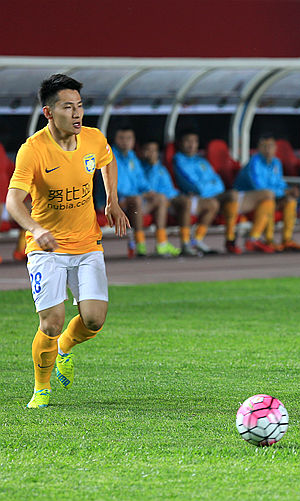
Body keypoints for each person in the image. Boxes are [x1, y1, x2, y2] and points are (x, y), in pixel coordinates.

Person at [5, 74, 130, 408]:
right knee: (51, 322)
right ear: (48, 112)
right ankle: (41, 388)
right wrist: (36, 229)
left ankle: (63, 347)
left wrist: (112, 200)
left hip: (87, 244)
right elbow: (13, 202)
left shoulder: (93, 139)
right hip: (47, 247)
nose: (77, 114)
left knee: (94, 320)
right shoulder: (33, 150)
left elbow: (107, 160)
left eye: (80, 106)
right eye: (67, 107)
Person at [112, 126, 180, 258]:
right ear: (115, 139)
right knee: (136, 199)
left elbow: (141, 181)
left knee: (160, 198)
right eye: (121, 138)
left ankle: (162, 243)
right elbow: (118, 187)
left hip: (133, 201)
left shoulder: (132, 156)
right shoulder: (110, 156)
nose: (125, 142)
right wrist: (142, 194)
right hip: (115, 202)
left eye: (129, 138)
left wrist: (149, 191)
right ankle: (140, 243)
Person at [172, 129, 242, 255]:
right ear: (180, 143)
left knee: (232, 195)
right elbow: (195, 186)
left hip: (210, 196)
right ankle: (187, 243)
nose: (191, 145)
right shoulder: (179, 160)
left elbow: (218, 183)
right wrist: (209, 186)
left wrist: (207, 187)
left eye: (195, 141)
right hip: (192, 198)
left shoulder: (201, 161)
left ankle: (206, 239)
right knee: (216, 201)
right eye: (188, 141)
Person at [235, 133, 300, 252]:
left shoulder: (276, 162)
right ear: (258, 148)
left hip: (271, 197)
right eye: (264, 146)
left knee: (290, 201)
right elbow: (260, 188)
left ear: (275, 148)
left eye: (271, 146)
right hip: (249, 203)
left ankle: (287, 239)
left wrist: (288, 191)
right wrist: (283, 192)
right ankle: (268, 240)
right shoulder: (254, 163)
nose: (268, 149)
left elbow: (279, 183)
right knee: (268, 201)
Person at [139, 140, 194, 254]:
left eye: (154, 151)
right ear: (142, 152)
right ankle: (161, 243)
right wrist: (153, 166)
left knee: (186, 201)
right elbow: (149, 188)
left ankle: (185, 243)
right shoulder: (141, 168)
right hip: (155, 200)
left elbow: (170, 188)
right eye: (148, 150)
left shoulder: (161, 167)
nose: (152, 153)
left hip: (171, 198)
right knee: (162, 200)